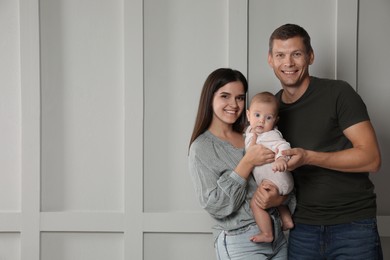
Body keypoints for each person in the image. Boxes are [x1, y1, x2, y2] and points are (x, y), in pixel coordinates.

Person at [266, 23, 383, 259]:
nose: (288, 63)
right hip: (302, 230)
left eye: (296, 54)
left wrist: (309, 157)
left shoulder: (338, 93)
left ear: (310, 56)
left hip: (353, 226)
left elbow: (372, 158)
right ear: (270, 59)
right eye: (280, 55)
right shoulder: (271, 111)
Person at [188, 68, 288, 259]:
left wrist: (279, 200)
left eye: (240, 98)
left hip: (277, 235)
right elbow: (217, 206)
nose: (234, 104)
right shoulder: (201, 148)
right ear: (210, 98)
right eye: (225, 96)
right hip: (241, 240)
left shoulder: (254, 134)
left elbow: (282, 176)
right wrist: (247, 162)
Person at [245, 91, 294, 243]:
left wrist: (280, 158)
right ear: (248, 115)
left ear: (275, 120)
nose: (261, 121)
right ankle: (286, 219)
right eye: (257, 115)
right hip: (273, 181)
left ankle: (267, 234)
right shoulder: (250, 133)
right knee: (275, 201)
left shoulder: (271, 135)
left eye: (268, 118)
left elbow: (283, 145)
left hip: (277, 177)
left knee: (256, 204)